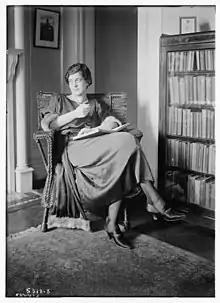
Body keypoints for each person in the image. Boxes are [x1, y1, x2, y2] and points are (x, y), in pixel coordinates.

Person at [41, 63, 185, 249]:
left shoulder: (95, 104)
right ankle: (155, 201)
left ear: (88, 82)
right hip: (74, 148)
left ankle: (112, 223)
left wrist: (102, 126)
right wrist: (74, 114)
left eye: (78, 80)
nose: (74, 85)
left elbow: (112, 121)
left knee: (123, 154)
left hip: (97, 145)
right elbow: (49, 126)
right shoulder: (60, 101)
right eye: (70, 81)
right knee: (127, 142)